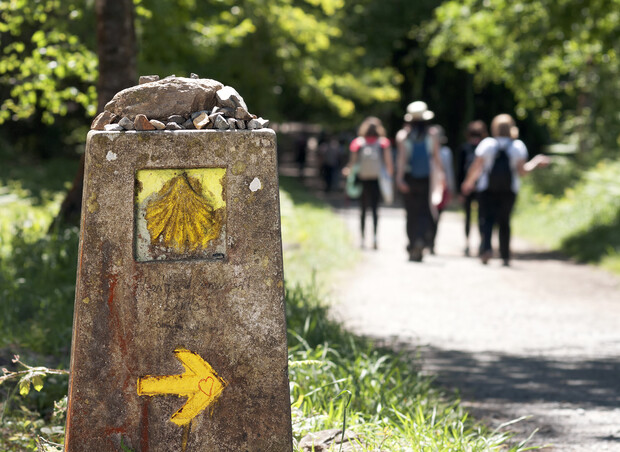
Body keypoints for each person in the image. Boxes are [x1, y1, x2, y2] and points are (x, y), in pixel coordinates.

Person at [461, 114, 550, 266]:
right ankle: (505, 255)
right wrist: (536, 162)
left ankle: (486, 249)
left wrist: (468, 183)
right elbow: (522, 171)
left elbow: (476, 167)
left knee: (486, 219)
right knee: (504, 221)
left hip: (486, 189)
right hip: (509, 190)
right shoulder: (518, 146)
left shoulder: (487, 144)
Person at [395, 101, 445, 262]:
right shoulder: (433, 134)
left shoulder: (403, 136)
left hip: (409, 178)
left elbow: (402, 160)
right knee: (424, 211)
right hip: (426, 178)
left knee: (411, 213)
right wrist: (441, 177)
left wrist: (399, 179)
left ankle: (412, 243)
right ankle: (421, 241)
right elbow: (436, 158)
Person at [343, 117, 393, 249]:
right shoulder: (383, 143)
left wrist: (348, 172)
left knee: (363, 210)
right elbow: (388, 164)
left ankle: (362, 239)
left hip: (362, 179)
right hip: (377, 180)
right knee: (375, 210)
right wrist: (391, 178)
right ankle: (375, 238)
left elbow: (352, 163)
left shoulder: (358, 143)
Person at [457, 120, 488, 256]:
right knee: (483, 216)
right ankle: (482, 243)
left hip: (467, 187)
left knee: (468, 217)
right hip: (482, 187)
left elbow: (459, 170)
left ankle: (467, 243)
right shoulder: (486, 148)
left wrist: (460, 190)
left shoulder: (464, 148)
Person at [429, 124, 455, 254]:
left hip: (430, 187)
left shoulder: (426, 151)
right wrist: (451, 188)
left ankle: (428, 242)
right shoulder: (446, 152)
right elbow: (448, 172)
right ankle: (431, 243)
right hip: (440, 187)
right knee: (436, 217)